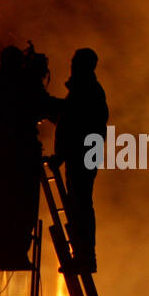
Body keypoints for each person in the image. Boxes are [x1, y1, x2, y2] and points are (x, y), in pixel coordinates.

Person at [0, 45, 56, 270]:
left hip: (0, 151)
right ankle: (18, 253)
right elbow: (47, 108)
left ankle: (5, 252)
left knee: (3, 203)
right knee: (25, 205)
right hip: (23, 151)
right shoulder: (26, 86)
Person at [49, 48, 108, 273]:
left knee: (79, 205)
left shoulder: (86, 91)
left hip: (81, 157)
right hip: (82, 156)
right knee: (78, 205)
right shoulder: (86, 91)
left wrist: (61, 156)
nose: (71, 65)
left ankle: (84, 255)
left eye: (75, 62)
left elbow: (74, 126)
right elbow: (69, 121)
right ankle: (83, 254)